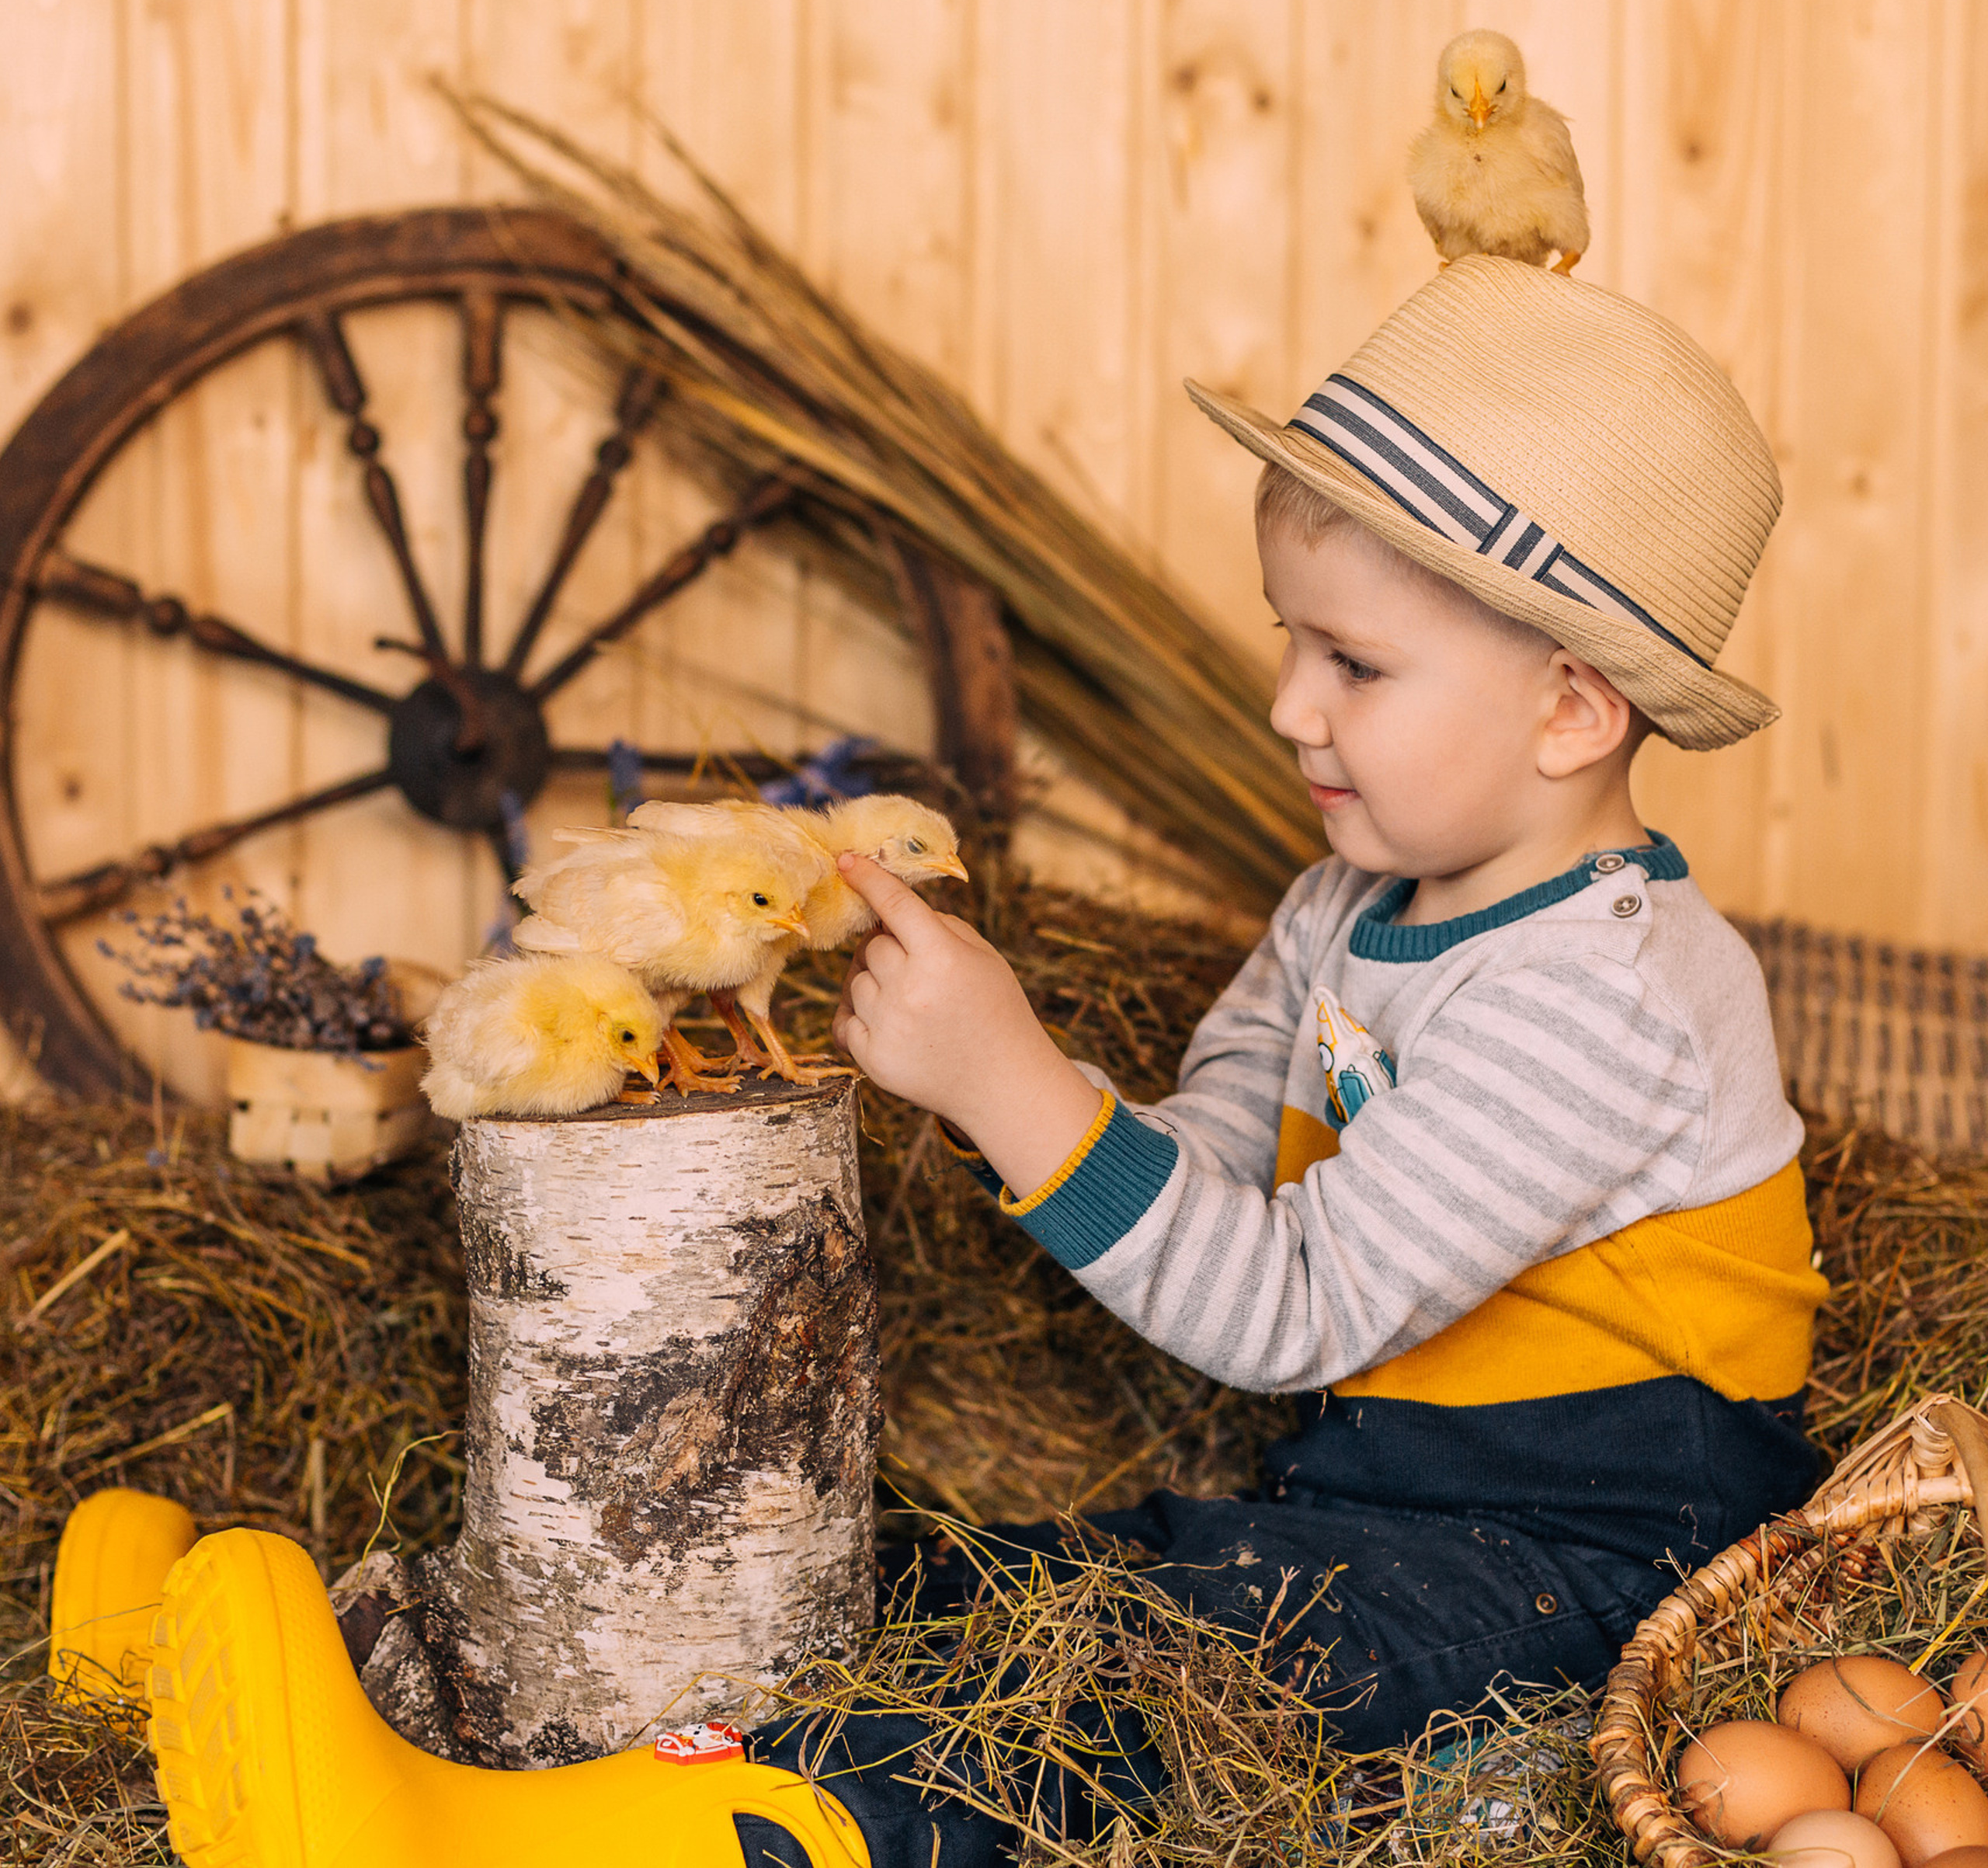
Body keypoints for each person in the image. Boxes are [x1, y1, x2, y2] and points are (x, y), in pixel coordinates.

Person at [134, 256, 1826, 1868]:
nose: (1286, 706)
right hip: (1378, 1519)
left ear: (1568, 712)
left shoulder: (1601, 998)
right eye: (1290, 639)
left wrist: (1009, 1083)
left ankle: (519, 1836)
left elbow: (1290, 1311)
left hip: (1584, 1574)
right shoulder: (1350, 899)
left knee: (1086, 1699)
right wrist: (1005, 1053)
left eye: (1353, 665)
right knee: (941, 1581)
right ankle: (355, 1664)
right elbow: (1218, 1150)